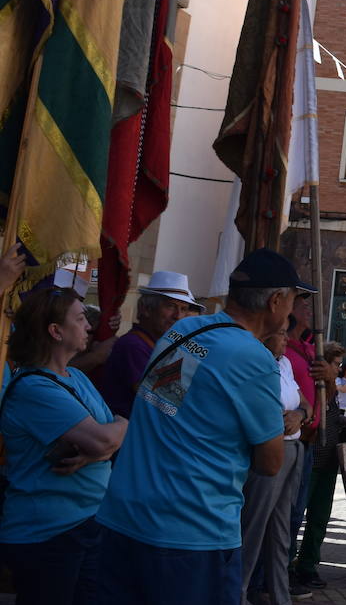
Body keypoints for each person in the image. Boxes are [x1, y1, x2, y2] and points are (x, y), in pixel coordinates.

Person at [96, 248, 301, 605]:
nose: (292, 311)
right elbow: (271, 463)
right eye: (293, 300)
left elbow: (167, 406)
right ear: (276, 301)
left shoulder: (187, 329)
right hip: (191, 533)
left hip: (125, 516)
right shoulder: (254, 358)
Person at [0, 284, 126, 605]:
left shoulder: (77, 377)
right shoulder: (34, 389)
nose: (89, 326)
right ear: (56, 331)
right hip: (49, 533)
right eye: (81, 319)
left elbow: (117, 431)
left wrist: (104, 444)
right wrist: (106, 442)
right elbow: (105, 437)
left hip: (87, 522)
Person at [239, 325, 308, 605]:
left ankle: (281, 596)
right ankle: (237, 592)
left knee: (282, 530)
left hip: (293, 449)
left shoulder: (286, 363)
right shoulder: (255, 363)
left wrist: (300, 414)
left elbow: (306, 403)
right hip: (270, 449)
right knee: (253, 528)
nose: (287, 340)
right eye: (281, 334)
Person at [97, 270, 202, 419]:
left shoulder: (158, 346)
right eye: (171, 306)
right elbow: (163, 401)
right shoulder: (133, 345)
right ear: (146, 309)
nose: (178, 316)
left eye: (183, 309)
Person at [293, 342, 346, 591]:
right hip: (310, 459)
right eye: (336, 364)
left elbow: (330, 416)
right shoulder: (314, 385)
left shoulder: (332, 390)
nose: (338, 369)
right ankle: (286, 565)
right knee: (295, 517)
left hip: (328, 462)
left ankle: (308, 565)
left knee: (319, 517)